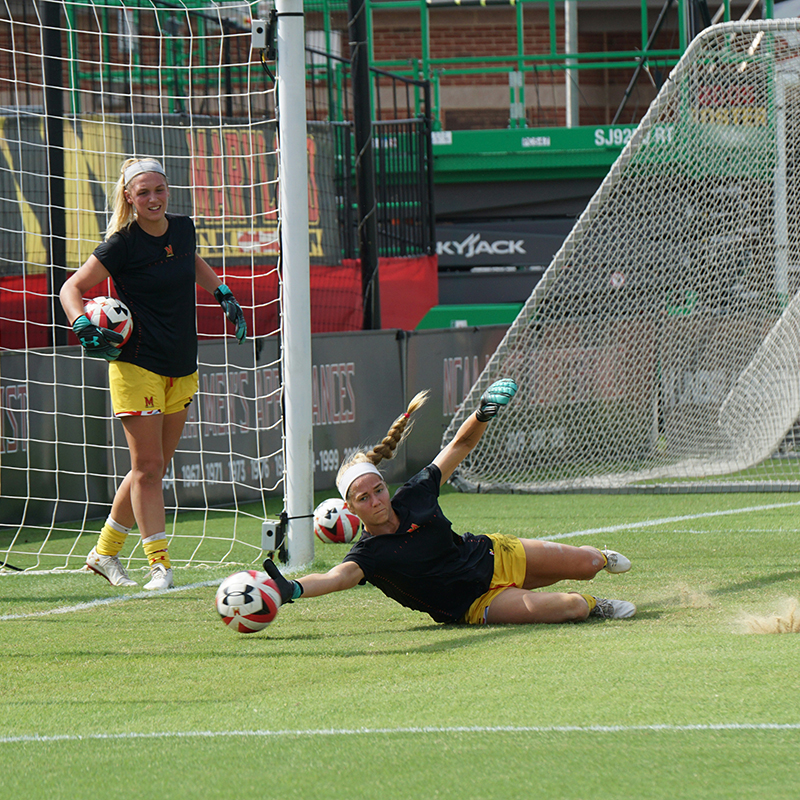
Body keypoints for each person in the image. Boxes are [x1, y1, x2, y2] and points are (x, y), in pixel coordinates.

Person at [264, 379, 636, 625]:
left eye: (377, 490)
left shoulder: (415, 493)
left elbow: (459, 446)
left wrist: (483, 411)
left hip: (492, 555)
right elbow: (334, 578)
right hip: (472, 603)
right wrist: (292, 589)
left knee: (586, 563)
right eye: (363, 498)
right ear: (351, 508)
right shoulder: (369, 556)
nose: (376, 500)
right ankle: (594, 605)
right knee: (570, 606)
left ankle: (600, 557)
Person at [59, 157, 246, 591]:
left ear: (168, 191)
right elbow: (72, 288)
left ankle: (103, 554)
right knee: (146, 466)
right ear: (129, 197)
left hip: (181, 363)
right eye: (143, 192)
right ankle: (159, 565)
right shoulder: (121, 244)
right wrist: (81, 323)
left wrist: (221, 293)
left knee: (153, 467)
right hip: (135, 363)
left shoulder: (182, 228)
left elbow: (190, 259)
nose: (153, 199)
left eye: (158, 190)